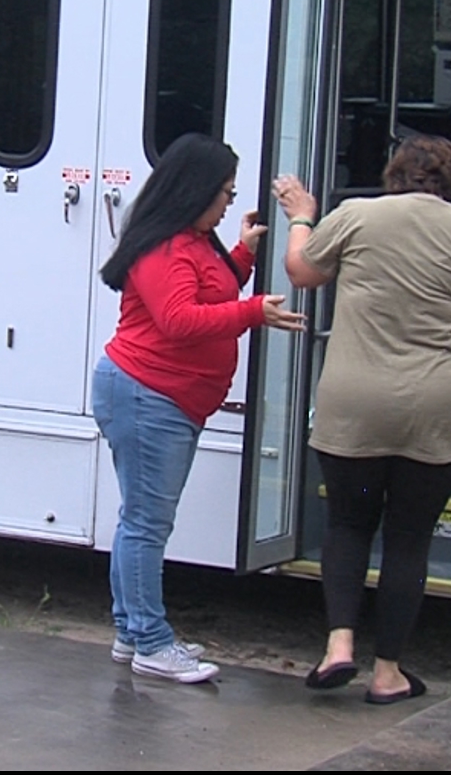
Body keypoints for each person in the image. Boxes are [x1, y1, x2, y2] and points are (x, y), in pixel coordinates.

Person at [272, 135, 451, 704]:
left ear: (394, 175)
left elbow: (302, 272)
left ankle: (339, 645)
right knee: (408, 538)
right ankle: (388, 673)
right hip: (437, 408)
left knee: (349, 524)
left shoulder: (356, 215)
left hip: (356, 403)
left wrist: (302, 217)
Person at [95, 133, 306, 684]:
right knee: (146, 524)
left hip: (163, 397)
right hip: (147, 394)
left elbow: (211, 291)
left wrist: (244, 253)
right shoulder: (165, 247)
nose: (228, 204)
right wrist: (255, 311)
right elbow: (180, 320)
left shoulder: (193, 240)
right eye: (226, 195)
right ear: (196, 191)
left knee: (140, 521)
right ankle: (152, 643)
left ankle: (132, 630)